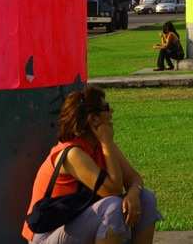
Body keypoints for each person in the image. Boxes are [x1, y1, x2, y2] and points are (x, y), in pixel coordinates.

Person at [22, 86, 161, 243]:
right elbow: (113, 190)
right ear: (93, 119)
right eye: (106, 108)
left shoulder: (100, 147)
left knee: (146, 198)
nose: (112, 112)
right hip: (47, 235)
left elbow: (134, 177)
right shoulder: (72, 153)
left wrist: (133, 194)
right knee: (112, 207)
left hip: (77, 225)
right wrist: (106, 141)